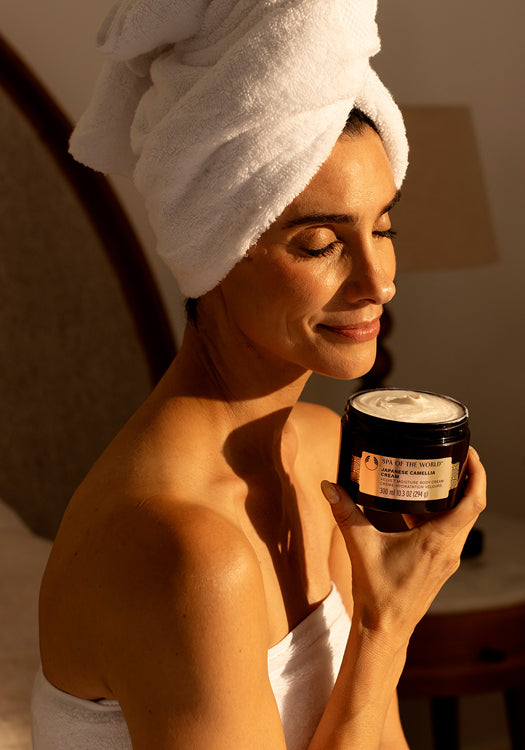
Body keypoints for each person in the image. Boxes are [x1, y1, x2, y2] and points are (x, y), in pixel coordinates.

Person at [32, 3, 486, 749]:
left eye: (382, 228)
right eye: (319, 243)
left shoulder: (322, 447)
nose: (378, 281)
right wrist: (386, 625)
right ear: (213, 253)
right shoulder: (184, 552)